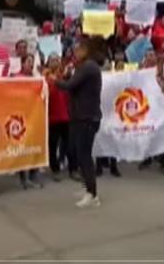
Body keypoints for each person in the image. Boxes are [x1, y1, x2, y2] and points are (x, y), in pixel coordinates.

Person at [57, 36, 106, 208]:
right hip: (79, 116)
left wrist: (52, 80)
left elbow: (69, 85)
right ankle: (87, 187)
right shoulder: (83, 66)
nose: (76, 52)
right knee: (78, 153)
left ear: (87, 50)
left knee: (84, 155)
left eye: (79, 48)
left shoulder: (89, 66)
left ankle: (92, 195)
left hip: (87, 117)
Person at [45, 53, 74, 182]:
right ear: (48, 63)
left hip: (66, 117)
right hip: (53, 118)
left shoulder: (64, 77)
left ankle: (73, 168)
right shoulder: (46, 78)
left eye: (57, 59)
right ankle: (55, 169)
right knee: (53, 145)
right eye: (52, 60)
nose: (55, 62)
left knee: (70, 144)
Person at [17, 54, 43, 189]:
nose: (31, 64)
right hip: (22, 118)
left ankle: (33, 175)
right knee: (23, 148)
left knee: (33, 147)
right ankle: (24, 178)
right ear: (22, 63)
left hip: (34, 117)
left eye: (32, 62)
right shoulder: (16, 78)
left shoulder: (36, 79)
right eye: (28, 62)